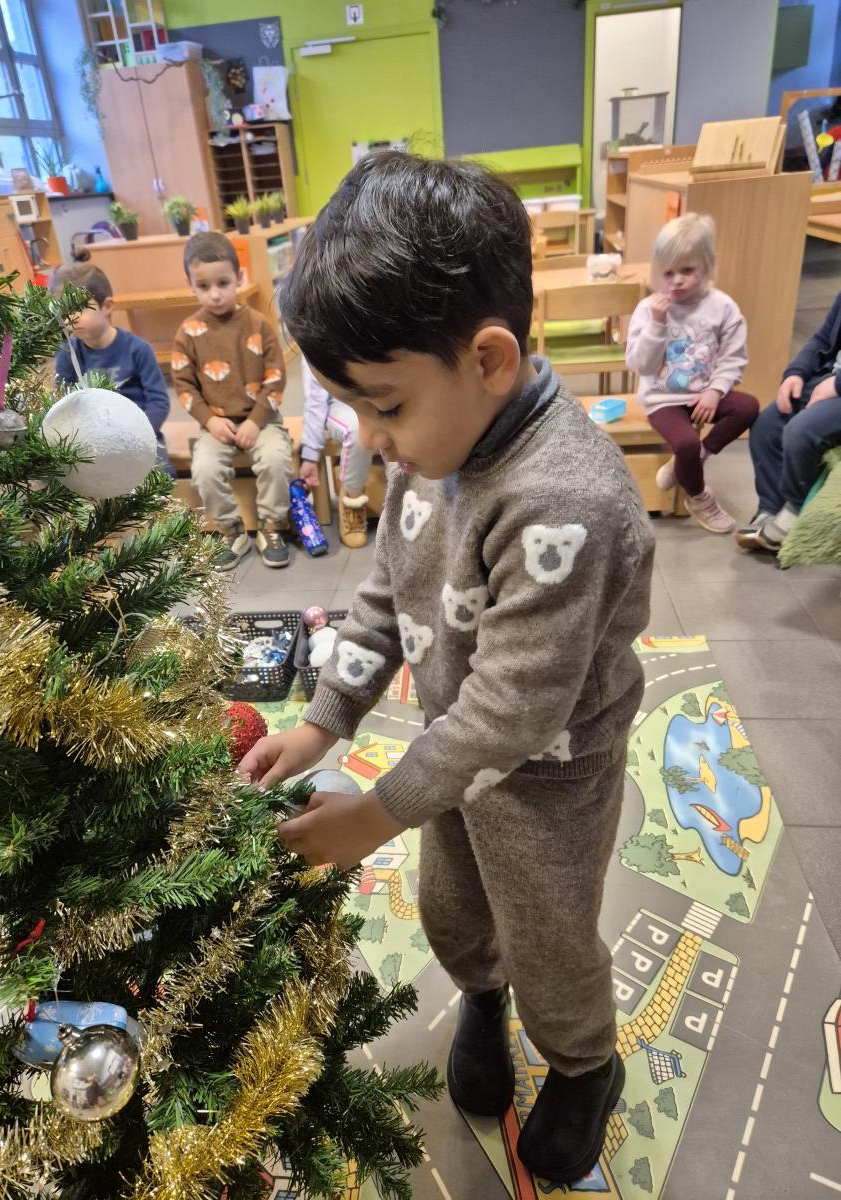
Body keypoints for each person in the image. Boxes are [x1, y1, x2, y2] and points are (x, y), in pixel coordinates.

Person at [240, 152, 654, 1186]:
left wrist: (374, 815)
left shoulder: (565, 500)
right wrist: (325, 718)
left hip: (548, 771)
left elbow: (514, 708)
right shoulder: (433, 449)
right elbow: (386, 592)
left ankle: (583, 1065)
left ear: (489, 359)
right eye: (354, 410)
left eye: (383, 406)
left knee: (551, 935)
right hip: (451, 756)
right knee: (453, 907)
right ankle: (480, 994)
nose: (371, 439)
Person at [625, 213, 759, 534]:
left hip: (703, 394)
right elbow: (641, 365)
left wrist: (715, 390)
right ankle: (698, 497)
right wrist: (657, 325)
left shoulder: (723, 307)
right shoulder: (648, 309)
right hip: (663, 399)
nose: (677, 281)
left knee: (748, 407)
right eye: (668, 273)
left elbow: (733, 357)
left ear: (707, 266)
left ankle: (696, 458)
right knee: (684, 444)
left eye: (687, 270)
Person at [172, 231, 294, 570]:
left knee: (275, 460)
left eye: (223, 283)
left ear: (239, 278)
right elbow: (184, 385)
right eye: (204, 286)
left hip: (262, 420)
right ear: (191, 284)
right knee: (204, 469)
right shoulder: (188, 332)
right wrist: (210, 421)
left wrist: (255, 421)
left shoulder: (259, 324)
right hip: (216, 425)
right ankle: (231, 530)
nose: (215, 294)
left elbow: (276, 378)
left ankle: (271, 527)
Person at [736, 293, 841, 552]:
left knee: (801, 431)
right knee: (766, 425)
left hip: (837, 385)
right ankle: (771, 507)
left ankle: (795, 509)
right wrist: (796, 374)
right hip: (829, 378)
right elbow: (822, 338)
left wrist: (837, 385)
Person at [50, 263, 173, 477]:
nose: (72, 318)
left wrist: (137, 434)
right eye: (65, 310)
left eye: (80, 308)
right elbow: (63, 406)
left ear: (107, 306)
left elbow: (159, 402)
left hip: (139, 435)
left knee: (160, 473)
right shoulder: (67, 355)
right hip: (90, 441)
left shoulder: (138, 349)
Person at [299, 357, 371, 549]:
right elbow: (315, 400)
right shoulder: (318, 342)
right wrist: (310, 454)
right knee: (358, 430)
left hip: (379, 395)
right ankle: (352, 501)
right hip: (340, 403)